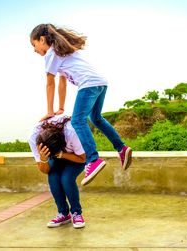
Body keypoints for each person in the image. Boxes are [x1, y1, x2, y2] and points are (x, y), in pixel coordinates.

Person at [30, 23, 132, 186]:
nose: (34, 50)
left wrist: (49, 111)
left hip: (88, 85)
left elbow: (50, 83)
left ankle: (93, 159)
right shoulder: (62, 51)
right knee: (96, 118)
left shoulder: (51, 53)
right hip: (101, 83)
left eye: (34, 45)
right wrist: (61, 108)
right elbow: (62, 81)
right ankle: (121, 148)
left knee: (77, 121)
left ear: (42, 40)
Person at [28, 115, 86, 229]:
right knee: (53, 177)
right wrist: (44, 159)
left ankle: (76, 213)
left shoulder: (71, 132)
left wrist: (62, 154)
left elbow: (83, 158)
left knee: (66, 179)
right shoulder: (33, 138)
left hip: (76, 156)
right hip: (57, 154)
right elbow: (44, 170)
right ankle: (63, 214)